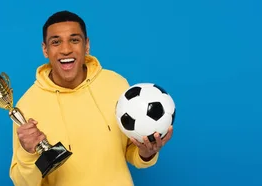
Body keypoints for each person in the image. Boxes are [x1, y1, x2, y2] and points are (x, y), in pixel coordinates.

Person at [9, 10, 173, 186]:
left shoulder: (116, 84)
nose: (65, 49)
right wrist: (27, 153)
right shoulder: (27, 105)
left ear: (86, 45)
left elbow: (130, 151)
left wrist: (146, 152)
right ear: (45, 49)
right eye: (56, 42)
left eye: (74, 40)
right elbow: (23, 183)